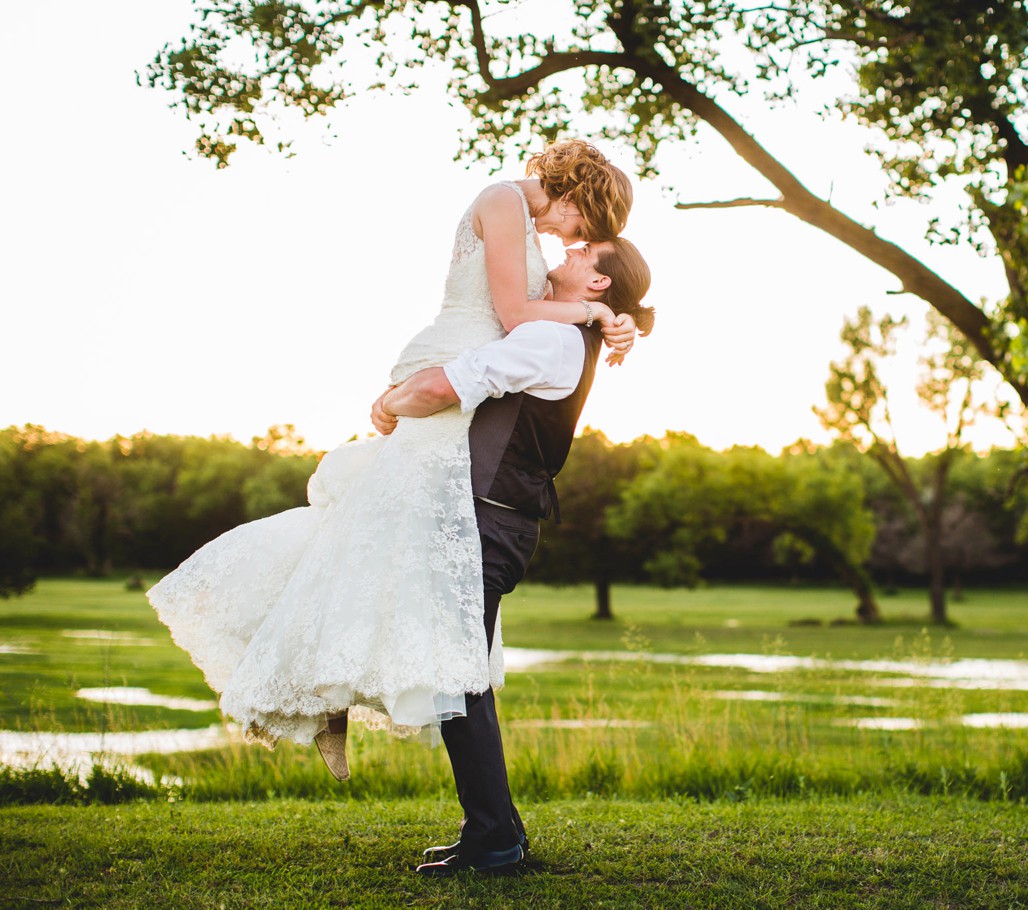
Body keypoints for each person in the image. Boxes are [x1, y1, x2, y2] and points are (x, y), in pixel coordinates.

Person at [147, 140, 639, 781]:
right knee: (375, 538)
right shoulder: (502, 200)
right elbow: (518, 314)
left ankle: (325, 697)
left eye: (582, 240)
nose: (567, 239)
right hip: (451, 361)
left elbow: (533, 318)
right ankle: (313, 691)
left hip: (463, 378)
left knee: (366, 538)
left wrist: (611, 317)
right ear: (579, 193)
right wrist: (598, 310)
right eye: (582, 226)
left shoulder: (533, 239)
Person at [369, 237, 653, 875]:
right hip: (494, 519)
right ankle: (497, 834)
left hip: (486, 519)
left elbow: (448, 385)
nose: (571, 246)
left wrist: (389, 403)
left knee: (460, 679)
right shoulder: (563, 334)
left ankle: (494, 839)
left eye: (587, 251)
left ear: (599, 284)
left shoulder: (550, 341)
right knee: (460, 676)